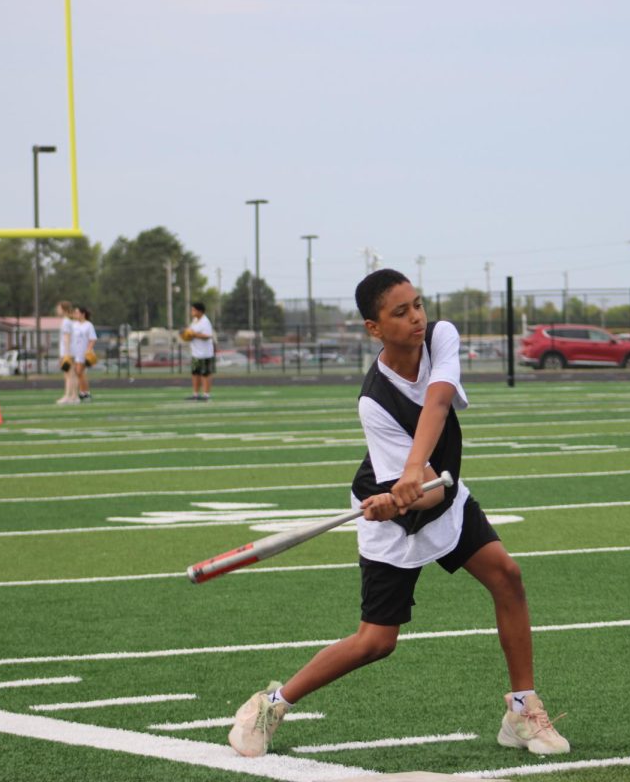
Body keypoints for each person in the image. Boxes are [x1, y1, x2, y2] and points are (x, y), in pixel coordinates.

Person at [228, 269, 569, 758]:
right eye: (400, 311)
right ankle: (270, 704)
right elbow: (421, 498)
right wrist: (401, 493)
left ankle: (521, 710)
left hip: (442, 490)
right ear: (373, 327)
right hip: (393, 518)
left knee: (506, 576)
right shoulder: (374, 402)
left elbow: (438, 399)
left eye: (417, 305)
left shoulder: (440, 337)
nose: (416, 317)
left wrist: (415, 473)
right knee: (376, 642)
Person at [185, 302, 215, 401]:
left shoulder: (205, 322)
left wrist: (194, 334)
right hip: (196, 353)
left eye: (194, 310)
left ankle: (206, 395)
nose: (192, 312)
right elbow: (190, 333)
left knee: (205, 374)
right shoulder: (194, 321)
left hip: (205, 353)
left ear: (200, 311)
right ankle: (195, 394)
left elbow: (208, 336)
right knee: (195, 373)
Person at [70, 305, 97, 403]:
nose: (75, 314)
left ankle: (85, 392)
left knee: (79, 372)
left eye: (77, 313)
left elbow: (93, 339)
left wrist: (88, 350)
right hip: (75, 352)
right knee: (78, 373)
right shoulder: (74, 324)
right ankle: (83, 392)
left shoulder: (88, 325)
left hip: (83, 353)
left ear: (83, 314)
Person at [55, 300, 78, 405]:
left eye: (59, 308)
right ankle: (74, 396)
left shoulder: (66, 321)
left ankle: (67, 396)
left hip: (67, 351)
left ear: (63, 309)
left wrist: (67, 354)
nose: (57, 310)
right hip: (70, 351)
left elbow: (67, 338)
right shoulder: (69, 321)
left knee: (68, 375)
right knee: (72, 374)